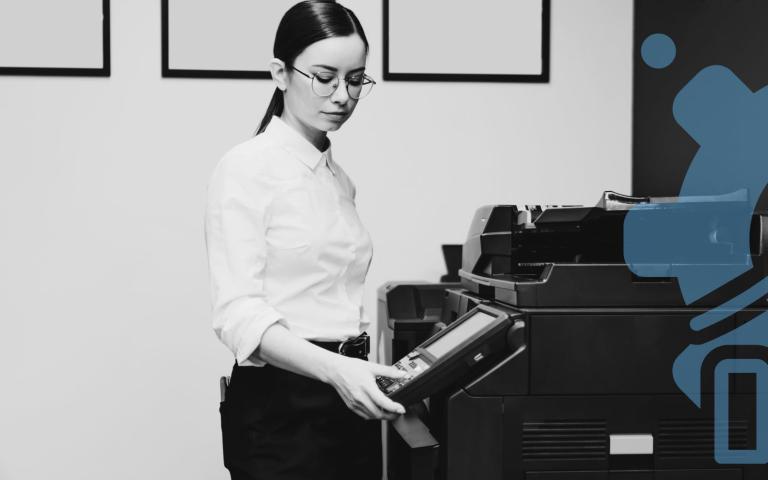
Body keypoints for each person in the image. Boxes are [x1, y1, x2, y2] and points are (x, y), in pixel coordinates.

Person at [204, 1, 407, 479]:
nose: (342, 95)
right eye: (324, 76)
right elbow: (238, 315)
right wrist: (338, 370)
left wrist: (356, 371)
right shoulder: (246, 167)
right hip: (283, 410)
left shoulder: (338, 178)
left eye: (356, 79)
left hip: (347, 397)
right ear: (280, 73)